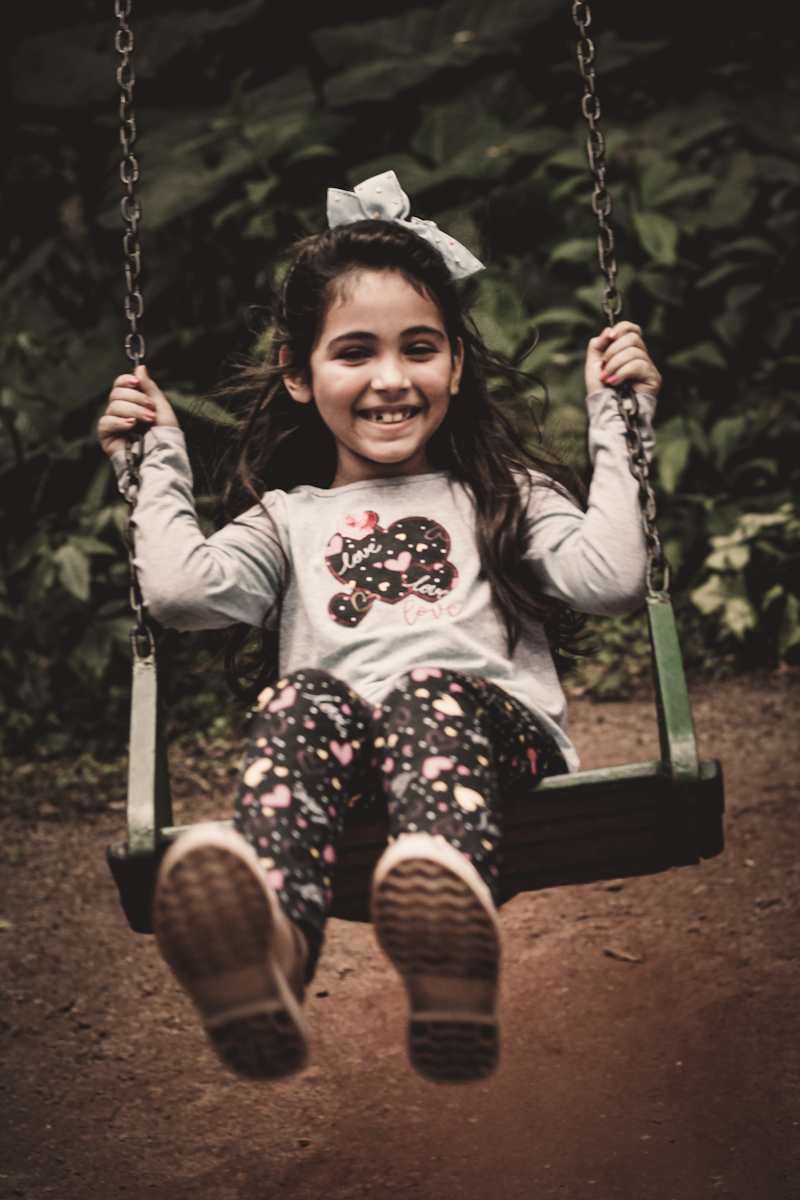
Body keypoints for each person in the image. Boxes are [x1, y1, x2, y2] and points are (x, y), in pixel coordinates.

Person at [99, 171, 661, 1085]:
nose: (391, 379)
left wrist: (621, 423)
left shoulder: (503, 492)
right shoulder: (286, 519)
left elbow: (611, 579)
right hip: (357, 779)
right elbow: (181, 594)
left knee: (428, 694)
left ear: (456, 364)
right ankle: (274, 956)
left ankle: (446, 927)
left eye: (420, 348)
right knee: (298, 700)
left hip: (496, 749)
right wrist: (153, 461)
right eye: (354, 351)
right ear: (297, 372)